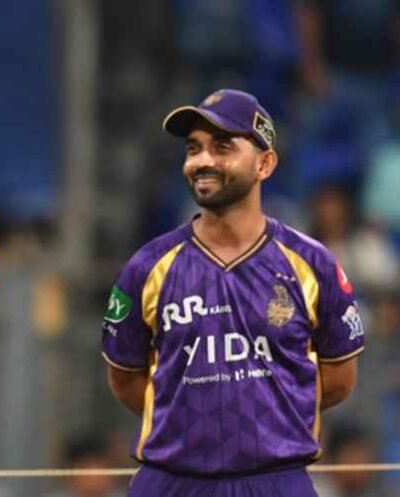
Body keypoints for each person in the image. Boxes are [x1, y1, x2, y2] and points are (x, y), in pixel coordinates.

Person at [101, 89, 365, 496]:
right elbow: (125, 379)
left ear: (265, 163)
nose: (202, 160)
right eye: (194, 148)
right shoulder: (147, 266)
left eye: (222, 147)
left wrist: (267, 425)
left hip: (276, 481)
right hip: (171, 481)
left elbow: (339, 380)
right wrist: (192, 426)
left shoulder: (312, 263)